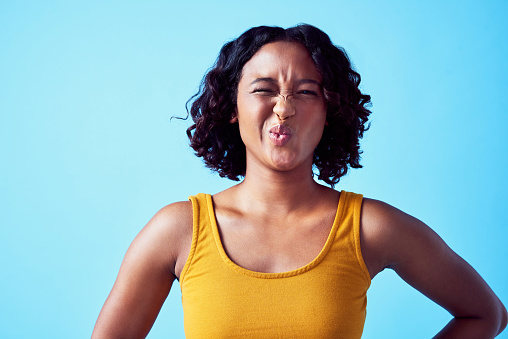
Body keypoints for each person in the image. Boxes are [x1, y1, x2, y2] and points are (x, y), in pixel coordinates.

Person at [92, 24, 507, 338]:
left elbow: (486, 313)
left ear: (330, 111)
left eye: (306, 92)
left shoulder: (369, 227)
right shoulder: (179, 228)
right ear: (232, 106)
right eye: (263, 89)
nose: (284, 108)